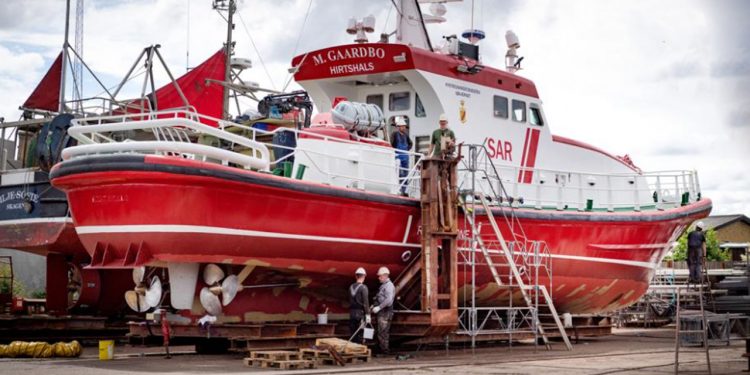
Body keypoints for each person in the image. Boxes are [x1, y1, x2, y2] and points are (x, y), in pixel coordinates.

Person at [371, 266, 395, 355]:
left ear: (385, 276)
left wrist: (379, 307)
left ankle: (384, 351)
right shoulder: (384, 285)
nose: (379, 278)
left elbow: (388, 300)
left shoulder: (389, 286)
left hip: (385, 312)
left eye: (380, 276)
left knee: (383, 332)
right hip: (383, 311)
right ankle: (382, 349)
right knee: (381, 331)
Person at [390, 117, 413, 195]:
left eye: (404, 126)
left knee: (406, 175)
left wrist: (407, 150)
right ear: (398, 127)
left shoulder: (406, 135)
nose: (403, 128)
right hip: (398, 157)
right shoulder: (395, 134)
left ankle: (404, 191)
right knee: (399, 174)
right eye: (402, 126)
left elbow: (411, 143)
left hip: (405, 158)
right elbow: (391, 145)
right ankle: (399, 190)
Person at [348, 267, 370, 343]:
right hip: (360, 313)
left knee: (352, 332)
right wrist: (368, 314)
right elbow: (366, 303)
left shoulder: (350, 287)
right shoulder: (364, 288)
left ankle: (352, 347)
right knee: (360, 332)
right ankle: (359, 347)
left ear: (356, 276)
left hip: (352, 313)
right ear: (364, 277)